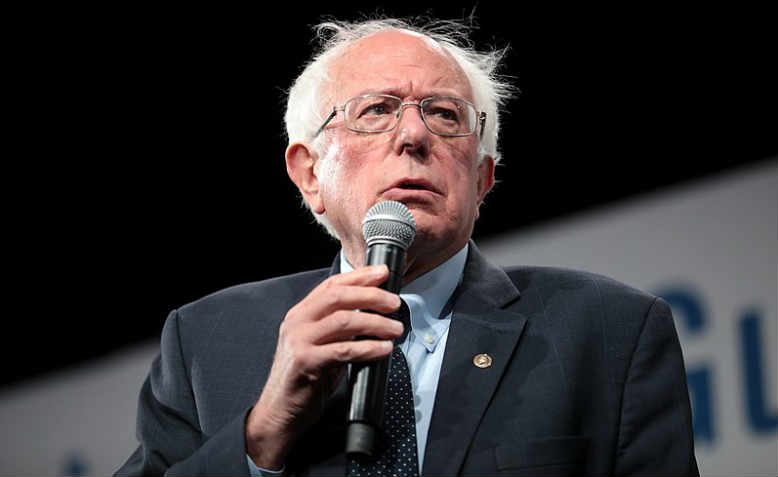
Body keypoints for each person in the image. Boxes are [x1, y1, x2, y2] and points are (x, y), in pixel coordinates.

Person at [116, 17, 698, 476]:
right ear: (309, 173)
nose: (414, 135)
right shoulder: (205, 342)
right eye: (376, 111)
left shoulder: (609, 331)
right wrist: (264, 432)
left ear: (482, 180)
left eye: (445, 116)